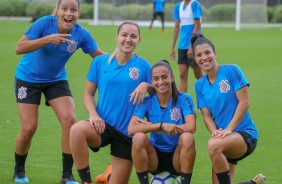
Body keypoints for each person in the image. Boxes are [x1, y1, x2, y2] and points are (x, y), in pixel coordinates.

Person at [13, 0, 105, 183]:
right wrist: (48, 39)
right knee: (29, 128)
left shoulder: (81, 34)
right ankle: (19, 170)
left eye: (73, 9)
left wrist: (123, 60)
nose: (68, 13)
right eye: (64, 8)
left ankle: (66, 175)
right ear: (57, 11)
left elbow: (100, 57)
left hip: (56, 80)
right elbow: (19, 48)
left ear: (78, 13)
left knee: (70, 121)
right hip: (27, 78)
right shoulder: (44, 23)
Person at [69, 20, 154, 184]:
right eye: (124, 35)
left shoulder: (143, 65)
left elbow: (161, 91)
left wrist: (146, 86)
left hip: (127, 132)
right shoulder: (100, 62)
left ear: (139, 40)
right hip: (102, 125)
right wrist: (93, 115)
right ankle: (86, 181)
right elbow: (88, 93)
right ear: (117, 36)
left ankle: (109, 175)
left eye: (133, 36)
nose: (128, 39)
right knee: (76, 130)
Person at [191, 34, 258, 184]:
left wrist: (229, 129)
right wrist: (214, 132)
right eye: (199, 55)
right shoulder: (199, 85)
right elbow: (206, 115)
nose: (204, 57)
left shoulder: (232, 70)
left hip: (244, 134)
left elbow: (245, 102)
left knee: (213, 145)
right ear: (195, 59)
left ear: (215, 53)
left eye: (207, 52)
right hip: (223, 138)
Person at [128, 60, 196, 184]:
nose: (160, 82)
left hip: (177, 155)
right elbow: (131, 129)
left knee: (187, 137)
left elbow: (191, 127)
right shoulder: (146, 101)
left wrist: (150, 127)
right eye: (156, 79)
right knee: (138, 137)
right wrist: (160, 126)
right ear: (152, 82)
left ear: (172, 77)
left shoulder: (184, 98)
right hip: (154, 156)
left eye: (164, 77)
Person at [170, 0, 203, 93]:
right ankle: (182, 101)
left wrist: (191, 46)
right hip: (182, 46)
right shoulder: (178, 6)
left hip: (194, 45)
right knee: (182, 75)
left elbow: (197, 25)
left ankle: (209, 95)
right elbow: (176, 28)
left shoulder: (195, 4)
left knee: (198, 75)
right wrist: (172, 47)